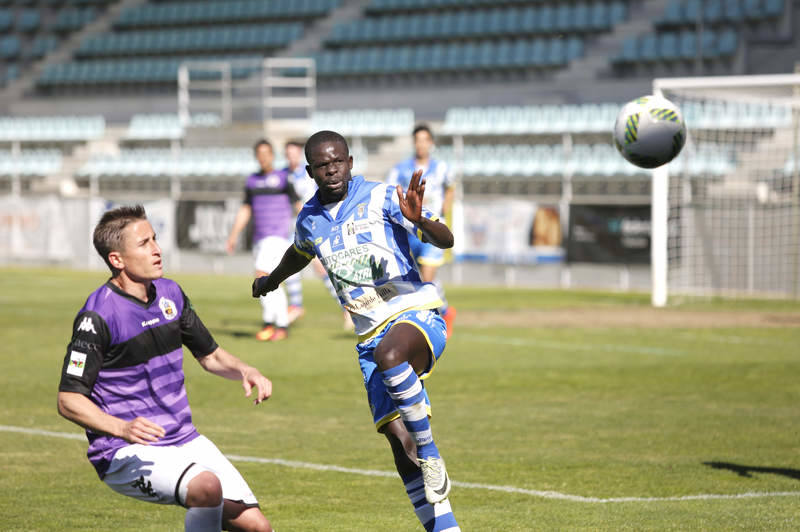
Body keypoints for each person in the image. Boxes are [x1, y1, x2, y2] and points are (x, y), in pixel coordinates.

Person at [253, 131, 460, 531]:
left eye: (338, 162)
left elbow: (445, 239)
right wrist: (271, 281)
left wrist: (420, 221)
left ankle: (434, 456)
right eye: (322, 166)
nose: (331, 171)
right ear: (310, 171)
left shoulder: (384, 196)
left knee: (392, 357)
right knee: (402, 448)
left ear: (350, 161)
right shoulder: (310, 219)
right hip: (368, 339)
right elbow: (299, 253)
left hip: (414, 315)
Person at [57, 205, 273, 532]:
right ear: (117, 259)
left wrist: (245, 370)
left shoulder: (170, 294)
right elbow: (69, 400)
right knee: (207, 487)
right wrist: (122, 429)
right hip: (125, 450)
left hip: (184, 438)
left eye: (155, 239)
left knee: (257, 527)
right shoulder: (97, 316)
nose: (157, 250)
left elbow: (209, 355)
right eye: (144, 243)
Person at [226, 138, 301, 341]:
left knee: (264, 275)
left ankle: (281, 324)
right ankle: (271, 323)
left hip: (277, 237)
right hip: (259, 239)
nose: (263, 157)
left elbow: (298, 205)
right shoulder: (252, 181)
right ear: (256, 157)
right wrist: (233, 235)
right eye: (260, 154)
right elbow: (245, 209)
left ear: (272, 156)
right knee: (265, 278)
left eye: (267, 153)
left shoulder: (283, 179)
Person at [386, 124, 457, 338]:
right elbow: (389, 192)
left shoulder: (442, 167)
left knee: (427, 280)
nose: (421, 144)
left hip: (432, 229)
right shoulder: (401, 169)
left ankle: (433, 323)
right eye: (418, 140)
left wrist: (446, 205)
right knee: (416, 281)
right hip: (409, 231)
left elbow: (451, 187)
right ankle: (446, 311)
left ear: (431, 143)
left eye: (425, 140)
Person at [283, 140, 354, 330]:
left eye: (294, 153)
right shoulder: (284, 175)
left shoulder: (311, 175)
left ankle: (348, 307)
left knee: (324, 269)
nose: (291, 156)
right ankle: (296, 305)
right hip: (292, 226)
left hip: (314, 224)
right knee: (290, 265)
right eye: (288, 153)